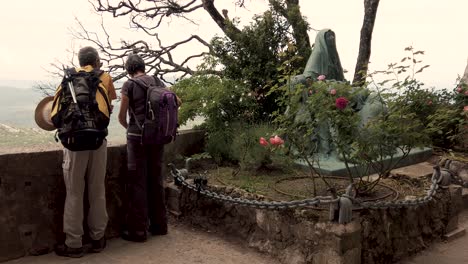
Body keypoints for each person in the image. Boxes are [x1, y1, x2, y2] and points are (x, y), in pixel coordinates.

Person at [54, 46, 117, 257]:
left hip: (74, 143)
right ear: (97, 60)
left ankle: (73, 244)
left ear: (80, 62)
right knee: (97, 190)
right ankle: (98, 238)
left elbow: (55, 114)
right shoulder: (105, 77)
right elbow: (109, 106)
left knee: (74, 192)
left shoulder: (68, 80)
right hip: (98, 140)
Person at [118, 54, 175, 242]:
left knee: (138, 183)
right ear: (142, 66)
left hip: (137, 139)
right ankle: (160, 226)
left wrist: (130, 128)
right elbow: (177, 101)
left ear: (129, 69)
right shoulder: (157, 81)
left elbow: (121, 115)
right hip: (157, 138)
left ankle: (138, 230)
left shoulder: (129, 85)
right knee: (155, 179)